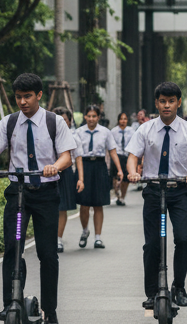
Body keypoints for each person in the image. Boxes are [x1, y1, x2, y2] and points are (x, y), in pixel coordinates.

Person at [0, 72, 75, 324]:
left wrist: (53, 167)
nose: (22, 102)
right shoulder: (9, 122)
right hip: (18, 193)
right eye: (18, 97)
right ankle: (10, 301)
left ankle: (51, 310)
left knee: (47, 254)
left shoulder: (54, 122)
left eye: (27, 96)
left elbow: (66, 157)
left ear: (39, 95)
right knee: (13, 247)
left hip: (46, 194)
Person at [126, 81, 187, 309]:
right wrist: (132, 172)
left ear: (179, 103)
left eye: (171, 101)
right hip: (153, 191)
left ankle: (179, 286)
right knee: (152, 244)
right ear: (156, 103)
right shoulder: (145, 129)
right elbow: (133, 155)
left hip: (179, 191)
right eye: (162, 101)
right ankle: (152, 293)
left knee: (183, 239)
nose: (167, 106)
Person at [75, 104, 124, 249]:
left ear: (98, 117)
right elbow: (76, 155)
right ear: (85, 117)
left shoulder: (105, 132)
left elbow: (113, 152)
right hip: (84, 166)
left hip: (99, 166)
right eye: (89, 116)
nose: (91, 119)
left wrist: (119, 170)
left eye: (94, 116)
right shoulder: (78, 132)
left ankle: (98, 237)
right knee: (83, 203)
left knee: (98, 204)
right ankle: (85, 230)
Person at [53, 107, 84, 253]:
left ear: (70, 121)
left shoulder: (73, 136)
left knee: (62, 207)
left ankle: (58, 239)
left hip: (65, 173)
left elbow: (78, 158)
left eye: (64, 120)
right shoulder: (47, 134)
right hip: (47, 173)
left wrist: (81, 179)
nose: (61, 122)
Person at [112, 112, 133, 206]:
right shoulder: (113, 131)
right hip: (117, 156)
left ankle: (122, 197)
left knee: (125, 179)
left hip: (127, 156)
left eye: (125, 119)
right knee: (115, 177)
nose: (123, 121)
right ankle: (117, 194)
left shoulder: (131, 131)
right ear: (118, 120)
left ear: (127, 120)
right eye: (121, 119)